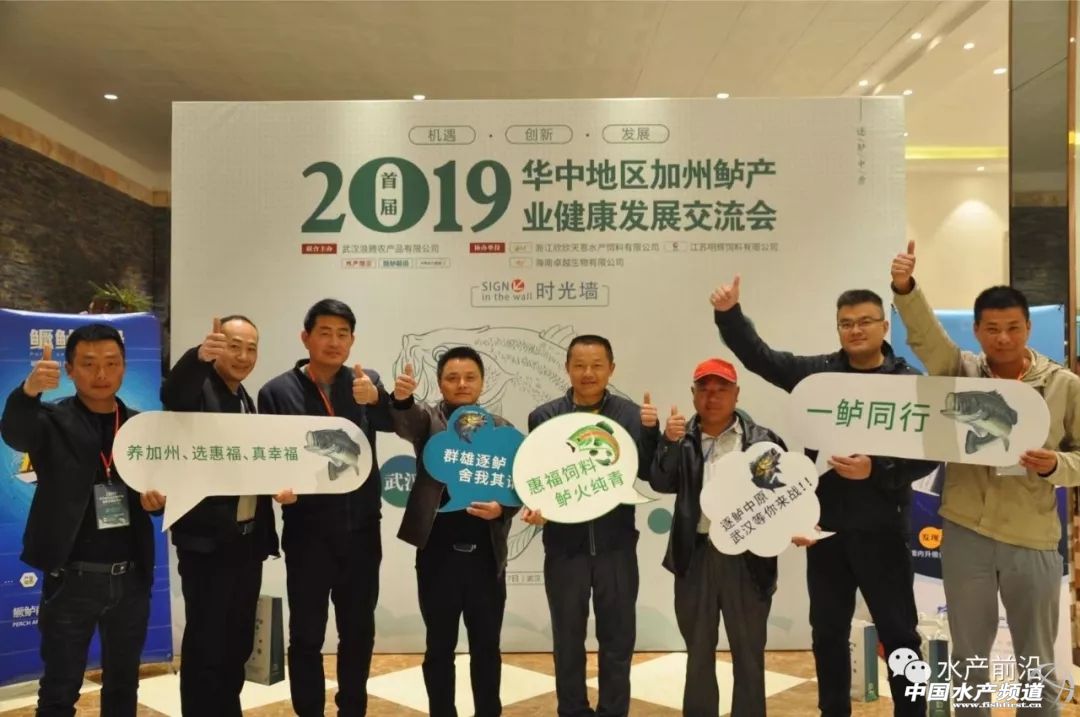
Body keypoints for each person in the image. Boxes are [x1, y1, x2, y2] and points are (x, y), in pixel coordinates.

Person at [711, 276, 935, 717]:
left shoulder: (908, 383)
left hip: (884, 532)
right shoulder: (819, 376)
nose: (855, 330)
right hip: (826, 531)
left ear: (884, 325)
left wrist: (879, 469)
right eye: (846, 323)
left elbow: (929, 456)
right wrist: (729, 315)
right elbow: (762, 359)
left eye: (865, 321)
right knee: (828, 633)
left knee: (901, 635)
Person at [891, 241, 1080, 716]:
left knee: (1036, 663)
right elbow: (926, 339)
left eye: (1013, 328)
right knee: (969, 660)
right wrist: (905, 288)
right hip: (966, 533)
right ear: (976, 331)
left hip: (1032, 537)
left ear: (1028, 328)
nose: (1003, 338)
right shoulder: (961, 373)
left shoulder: (1063, 385)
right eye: (992, 329)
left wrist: (1055, 466)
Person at [1, 324, 164, 716]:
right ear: (70, 370)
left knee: (124, 684)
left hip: (131, 578)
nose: (101, 374)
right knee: (60, 689)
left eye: (111, 363)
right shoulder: (50, 420)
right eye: (89, 364)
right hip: (72, 577)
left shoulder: (140, 428)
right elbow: (16, 434)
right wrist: (28, 392)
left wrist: (158, 502)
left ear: (124, 367)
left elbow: (158, 493)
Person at [257, 299, 393, 717]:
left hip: (362, 531)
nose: (334, 342)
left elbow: (394, 422)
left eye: (342, 334)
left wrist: (378, 399)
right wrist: (275, 488)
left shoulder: (365, 382)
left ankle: (352, 708)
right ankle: (309, 710)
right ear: (306, 338)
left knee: (358, 631)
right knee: (306, 636)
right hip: (308, 534)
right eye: (325, 333)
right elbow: (267, 457)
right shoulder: (276, 391)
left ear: (352, 340)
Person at [522, 334, 659, 717]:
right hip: (565, 549)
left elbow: (649, 473)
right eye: (579, 365)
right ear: (567, 368)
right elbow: (537, 477)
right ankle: (572, 710)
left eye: (597, 365)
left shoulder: (632, 415)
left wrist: (652, 433)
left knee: (618, 640)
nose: (588, 373)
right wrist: (536, 507)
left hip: (617, 547)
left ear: (611, 369)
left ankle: (614, 711)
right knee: (567, 640)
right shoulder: (544, 417)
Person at [160, 315, 290, 716]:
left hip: (246, 543)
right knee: (206, 644)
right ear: (216, 347)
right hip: (208, 544)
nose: (244, 356)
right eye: (234, 346)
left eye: (251, 348)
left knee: (236, 641)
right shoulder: (199, 388)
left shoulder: (244, 398)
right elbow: (174, 393)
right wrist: (197, 358)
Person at [647, 358, 781, 717]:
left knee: (748, 653)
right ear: (693, 395)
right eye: (704, 389)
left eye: (722, 389)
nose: (712, 396)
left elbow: (782, 497)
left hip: (748, 560)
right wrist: (668, 442)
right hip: (696, 555)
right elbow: (660, 482)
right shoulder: (683, 439)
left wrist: (795, 527)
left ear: (737, 394)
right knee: (698, 652)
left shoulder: (762, 441)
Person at [391, 346, 517, 717]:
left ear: (482, 382)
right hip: (437, 556)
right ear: (440, 383)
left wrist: (503, 508)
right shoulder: (427, 420)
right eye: (452, 377)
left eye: (469, 377)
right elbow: (405, 420)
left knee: (486, 648)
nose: (461, 384)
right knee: (439, 648)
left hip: (486, 557)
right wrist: (402, 399)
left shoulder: (503, 429)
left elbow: (519, 486)